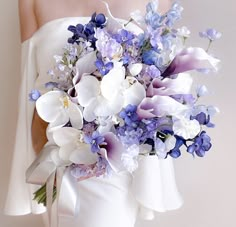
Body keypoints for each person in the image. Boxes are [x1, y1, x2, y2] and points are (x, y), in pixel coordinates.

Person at [5, 0, 183, 227]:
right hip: (55, 163)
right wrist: (56, 157)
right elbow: (31, 94)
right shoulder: (31, 2)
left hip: (115, 171)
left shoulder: (157, 4)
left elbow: (162, 92)